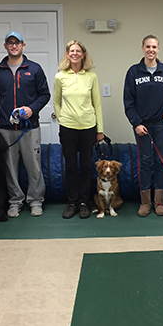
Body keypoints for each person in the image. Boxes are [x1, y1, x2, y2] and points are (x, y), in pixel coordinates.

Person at [0, 31, 51, 218]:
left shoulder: (35, 69)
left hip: (30, 128)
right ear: (5, 46)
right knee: (9, 167)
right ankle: (15, 201)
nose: (14, 46)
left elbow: (45, 95)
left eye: (17, 43)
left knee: (34, 166)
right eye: (10, 43)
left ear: (23, 45)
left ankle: (36, 201)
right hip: (5, 129)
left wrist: (32, 110)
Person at [123, 34, 163, 217]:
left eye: (154, 47)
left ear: (158, 49)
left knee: (160, 161)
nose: (151, 50)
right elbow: (128, 101)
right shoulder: (134, 72)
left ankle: (159, 202)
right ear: (142, 48)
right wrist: (136, 123)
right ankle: (145, 202)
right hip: (142, 126)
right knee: (145, 162)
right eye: (148, 46)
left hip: (162, 124)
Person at [54, 40, 105, 219]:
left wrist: (100, 130)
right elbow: (56, 102)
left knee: (85, 166)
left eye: (78, 51)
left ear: (83, 54)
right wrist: (62, 119)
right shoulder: (60, 77)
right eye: (71, 51)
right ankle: (72, 203)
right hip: (68, 128)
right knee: (70, 167)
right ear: (67, 54)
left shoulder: (91, 77)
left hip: (88, 128)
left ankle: (84, 202)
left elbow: (97, 103)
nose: (74, 53)